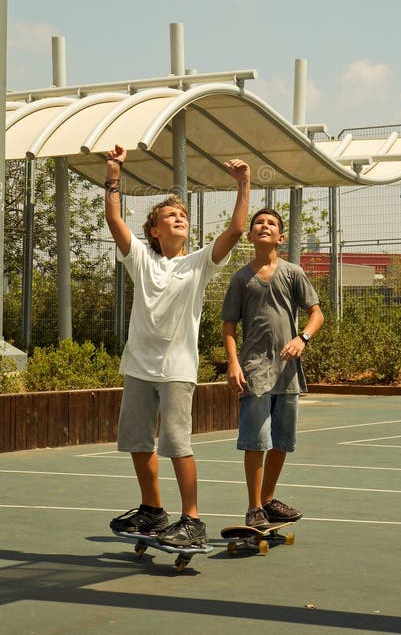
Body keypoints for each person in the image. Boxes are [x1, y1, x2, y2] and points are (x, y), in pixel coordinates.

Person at [105, 144, 250, 548]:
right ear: (154, 230)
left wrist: (243, 184)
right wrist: (114, 174)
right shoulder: (140, 259)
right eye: (171, 215)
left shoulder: (199, 262)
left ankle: (192, 519)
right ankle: (152, 509)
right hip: (137, 366)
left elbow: (236, 230)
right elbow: (114, 218)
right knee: (137, 440)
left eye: (184, 215)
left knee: (177, 443)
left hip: (177, 369)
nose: (180, 218)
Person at [221, 207, 324, 529]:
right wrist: (233, 363)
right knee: (256, 440)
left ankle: (268, 500)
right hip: (254, 369)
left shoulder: (293, 273)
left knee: (281, 440)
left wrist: (302, 338)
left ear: (280, 237)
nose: (264, 226)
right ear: (250, 236)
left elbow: (316, 314)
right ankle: (253, 507)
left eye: (271, 224)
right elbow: (228, 326)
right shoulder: (241, 278)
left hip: (288, 370)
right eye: (258, 223)